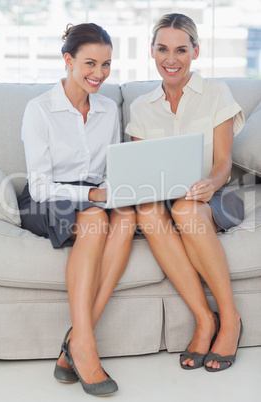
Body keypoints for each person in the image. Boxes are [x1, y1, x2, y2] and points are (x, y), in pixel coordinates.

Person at [18, 22, 136, 396]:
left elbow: (107, 172)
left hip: (93, 196)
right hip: (46, 198)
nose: (98, 74)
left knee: (128, 217)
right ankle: (84, 347)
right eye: (89, 63)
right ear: (68, 60)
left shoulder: (107, 110)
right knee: (94, 218)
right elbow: (39, 186)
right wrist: (97, 198)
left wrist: (114, 191)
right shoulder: (40, 110)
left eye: (106, 64)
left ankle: (76, 339)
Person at [125, 13, 244, 372]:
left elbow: (224, 162)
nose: (170, 59)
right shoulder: (141, 107)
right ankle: (204, 320)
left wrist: (210, 183)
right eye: (162, 49)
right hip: (166, 199)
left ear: (195, 51)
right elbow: (143, 170)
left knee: (185, 210)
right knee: (149, 212)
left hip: (216, 195)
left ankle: (231, 319)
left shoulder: (216, 93)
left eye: (180, 49)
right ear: (152, 51)